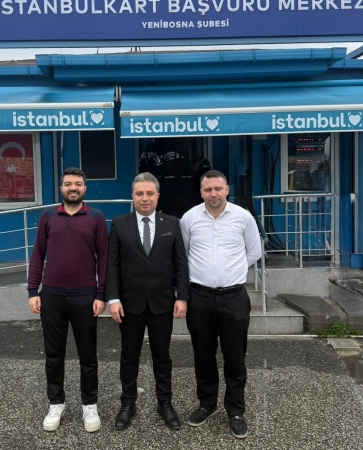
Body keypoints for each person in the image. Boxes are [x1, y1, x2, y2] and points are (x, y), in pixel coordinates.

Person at [179, 170, 262, 439]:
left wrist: (233, 270)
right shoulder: (189, 218)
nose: (213, 194)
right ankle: (207, 404)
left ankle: (235, 411)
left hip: (233, 298)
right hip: (199, 297)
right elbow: (184, 254)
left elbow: (254, 251)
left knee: (235, 357)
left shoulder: (243, 217)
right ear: (201, 192)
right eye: (208, 189)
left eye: (218, 188)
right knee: (203, 355)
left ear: (227, 189)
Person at [106, 172, 190, 431]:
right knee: (129, 356)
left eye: (150, 193)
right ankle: (127, 403)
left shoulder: (172, 224)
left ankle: (165, 403)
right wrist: (113, 298)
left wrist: (182, 296)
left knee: (162, 356)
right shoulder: (119, 224)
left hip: (162, 302)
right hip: (129, 304)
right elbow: (112, 264)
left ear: (157, 196)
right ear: (132, 196)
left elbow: (180, 263)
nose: (145, 198)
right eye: (140, 193)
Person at [27, 167, 107, 433]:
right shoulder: (48, 216)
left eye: (78, 184)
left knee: (88, 356)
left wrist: (101, 294)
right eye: (68, 183)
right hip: (52, 295)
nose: (73, 188)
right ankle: (56, 403)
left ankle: (89, 405)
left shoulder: (96, 217)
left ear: (85, 188)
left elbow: (104, 258)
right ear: (61, 188)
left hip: (85, 296)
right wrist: (32, 290)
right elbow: (38, 254)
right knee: (53, 355)